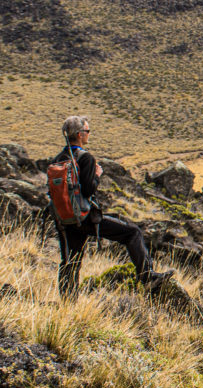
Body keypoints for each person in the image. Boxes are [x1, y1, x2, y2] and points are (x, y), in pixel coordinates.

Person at [52, 115, 170, 298]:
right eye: (87, 131)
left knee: (70, 261)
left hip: (64, 219)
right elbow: (88, 189)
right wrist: (97, 174)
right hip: (85, 217)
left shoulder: (58, 159)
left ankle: (67, 303)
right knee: (132, 233)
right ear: (80, 134)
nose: (89, 135)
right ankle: (148, 277)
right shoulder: (85, 158)